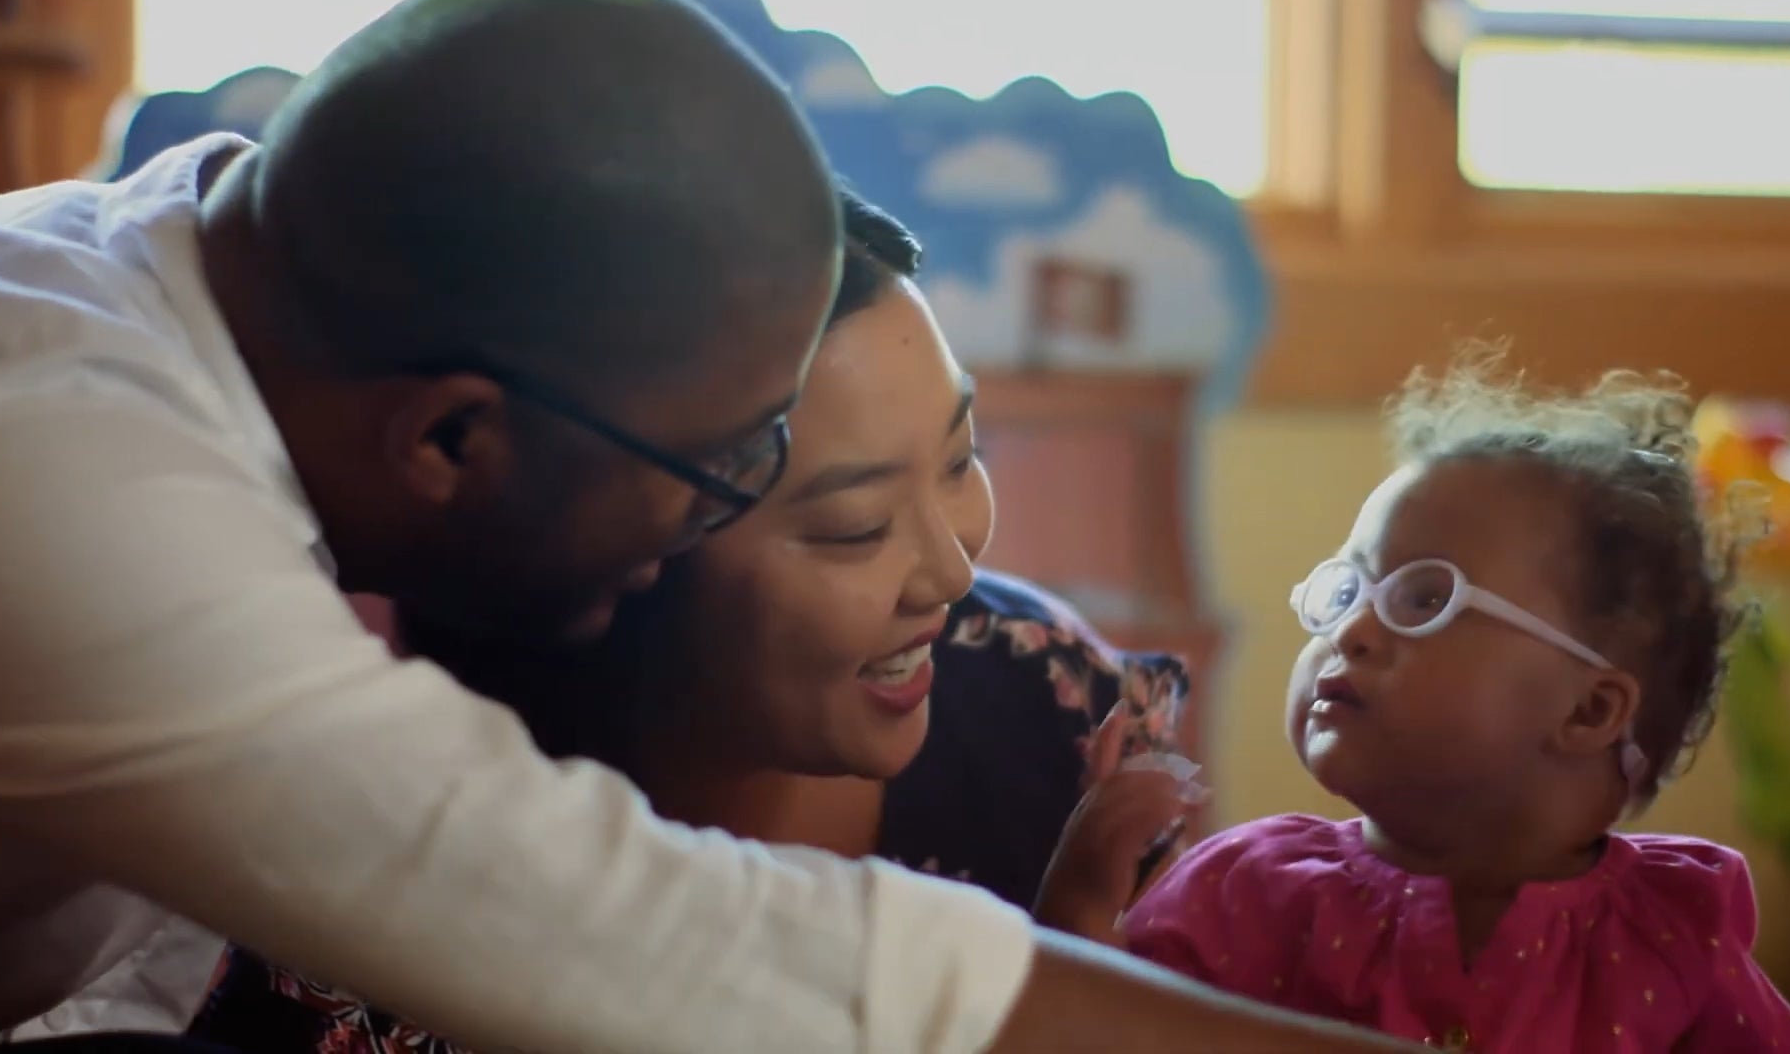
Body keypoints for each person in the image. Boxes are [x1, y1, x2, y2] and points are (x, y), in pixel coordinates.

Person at [0, 0, 1418, 1050]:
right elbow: (631, 934)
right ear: (454, 436)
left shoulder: (194, 275)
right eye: (726, 467)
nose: (949, 571)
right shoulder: (65, 496)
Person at [187, 191, 1208, 1053]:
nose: (951, 571)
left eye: (960, 456)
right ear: (624, 560)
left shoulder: (1054, 707)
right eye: (856, 528)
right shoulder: (385, 856)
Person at [1052, 346, 1790, 1051]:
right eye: (1348, 588)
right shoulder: (1239, 895)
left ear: (1588, 711)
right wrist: (1078, 917)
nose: (1350, 631)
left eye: (1422, 601)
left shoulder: (1674, 944)